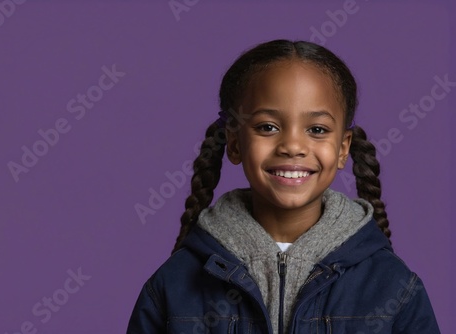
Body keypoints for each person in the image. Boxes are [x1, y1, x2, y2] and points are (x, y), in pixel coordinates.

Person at [127, 40, 440, 333]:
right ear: (234, 144)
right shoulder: (173, 285)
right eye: (268, 127)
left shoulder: (393, 286)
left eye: (317, 129)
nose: (292, 145)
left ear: (343, 148)